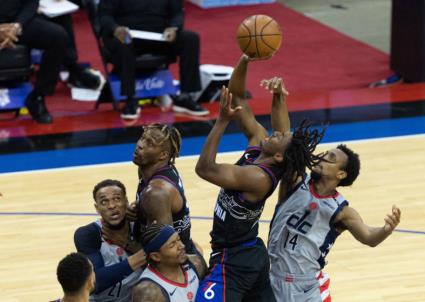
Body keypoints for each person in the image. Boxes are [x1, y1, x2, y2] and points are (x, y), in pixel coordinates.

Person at [194, 54, 325, 301]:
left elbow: (205, 169)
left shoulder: (258, 178)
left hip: (234, 260)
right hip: (250, 251)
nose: (274, 135)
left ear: (278, 156)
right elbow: (237, 98)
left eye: (278, 138)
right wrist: (245, 61)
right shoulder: (260, 145)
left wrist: (222, 121)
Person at [268, 144, 402, 301]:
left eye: (330, 158)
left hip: (308, 289)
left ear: (341, 174)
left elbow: (369, 237)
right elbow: (284, 134)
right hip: (272, 280)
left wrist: (386, 229)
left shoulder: (342, 211)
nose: (322, 157)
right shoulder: (295, 181)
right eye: (325, 153)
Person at [98, 0, 209, 119]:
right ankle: (130, 99)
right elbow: (104, 15)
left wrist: (174, 27)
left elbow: (177, 13)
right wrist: (115, 28)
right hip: (125, 34)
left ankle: (186, 96)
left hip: (159, 36)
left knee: (190, 39)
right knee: (125, 42)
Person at [0, 0, 100, 123]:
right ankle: (74, 69)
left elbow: (30, 3)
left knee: (58, 36)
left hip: (15, 25)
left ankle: (38, 96)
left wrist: (17, 25)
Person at [74, 179, 146, 302]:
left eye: (117, 199)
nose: (112, 206)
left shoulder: (141, 225)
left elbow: (164, 262)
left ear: (126, 202)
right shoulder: (88, 234)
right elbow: (97, 281)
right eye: (104, 201)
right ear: (97, 208)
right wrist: (145, 254)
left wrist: (127, 244)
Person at [130, 123, 197, 254]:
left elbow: (166, 252)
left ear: (163, 155)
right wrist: (139, 209)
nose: (140, 144)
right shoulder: (152, 169)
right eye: (142, 137)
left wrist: (125, 244)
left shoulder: (156, 192)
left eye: (150, 143)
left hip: (176, 263)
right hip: (185, 247)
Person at [132, 223, 207, 302]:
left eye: (178, 239)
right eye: (172, 245)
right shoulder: (148, 292)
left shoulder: (196, 263)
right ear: (156, 256)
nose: (182, 246)